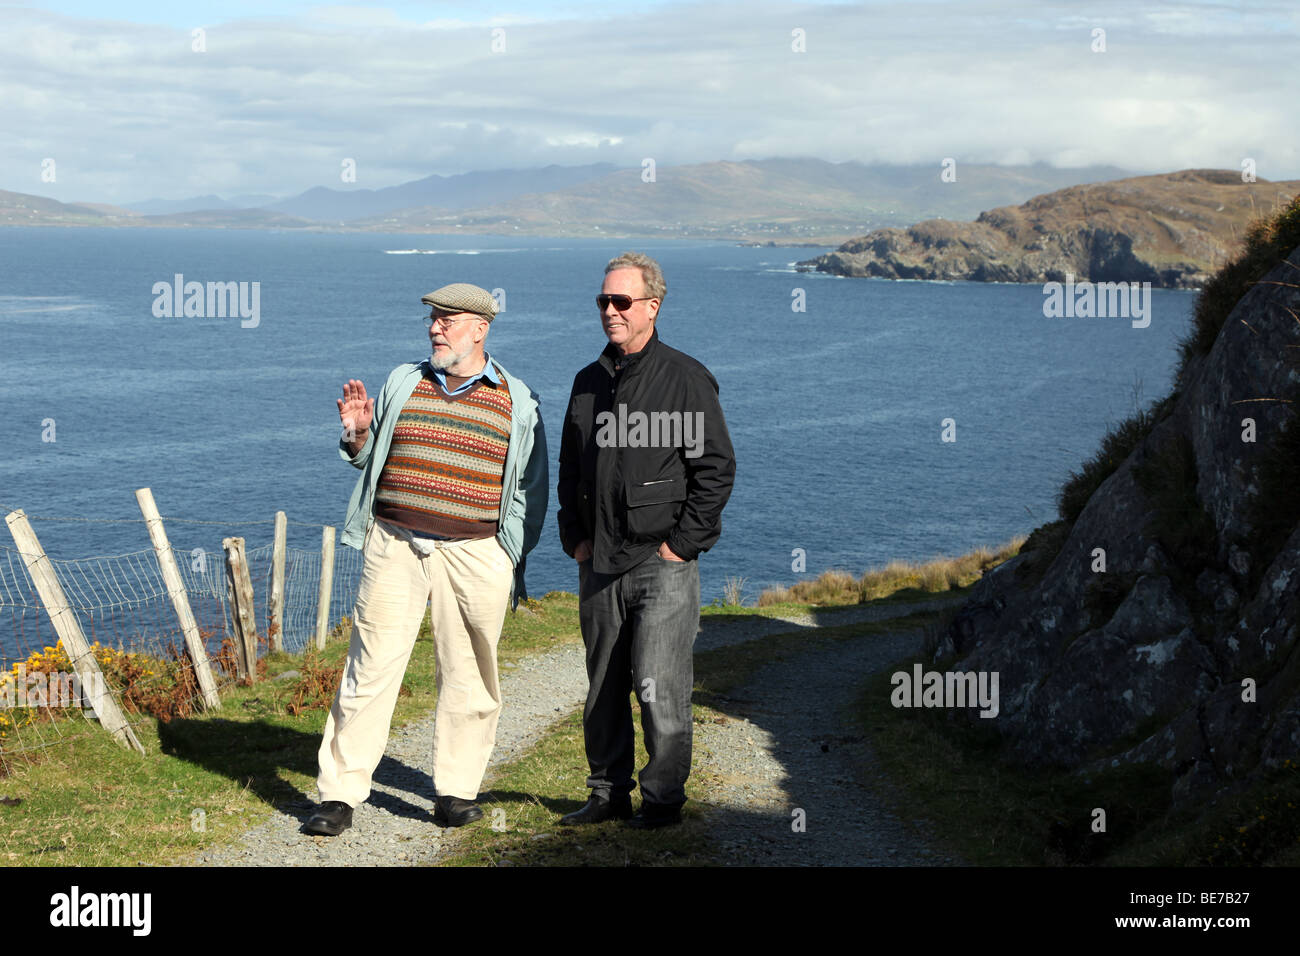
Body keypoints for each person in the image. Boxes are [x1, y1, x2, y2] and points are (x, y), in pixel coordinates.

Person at [305, 282, 548, 835]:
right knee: (369, 670)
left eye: (447, 319)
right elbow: (368, 458)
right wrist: (358, 433)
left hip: (475, 553)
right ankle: (339, 795)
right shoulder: (403, 382)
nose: (434, 327)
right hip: (394, 545)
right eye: (433, 319)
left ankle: (456, 792)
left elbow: (532, 490)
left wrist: (507, 555)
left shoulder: (519, 400)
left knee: (469, 675)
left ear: (480, 328)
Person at [556, 251, 735, 829]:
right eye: (603, 301)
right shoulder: (587, 381)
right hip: (599, 562)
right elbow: (569, 468)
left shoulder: (685, 377)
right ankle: (607, 794)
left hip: (663, 565)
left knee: (661, 688)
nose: (610, 311)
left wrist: (681, 546)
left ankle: (662, 802)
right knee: (603, 688)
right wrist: (575, 538)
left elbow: (715, 468)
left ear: (652, 307)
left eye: (622, 301)